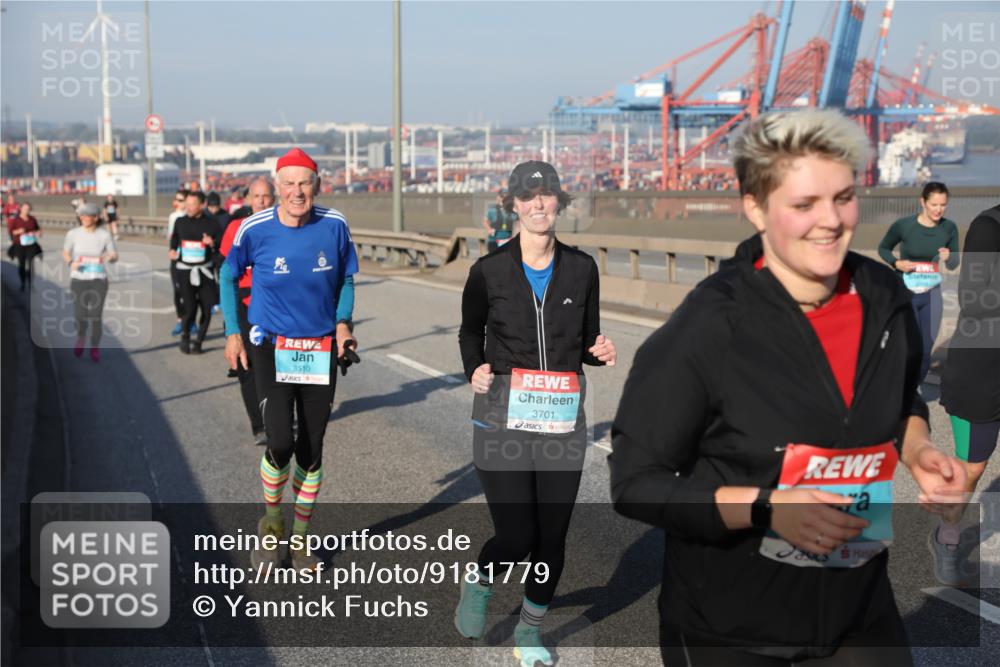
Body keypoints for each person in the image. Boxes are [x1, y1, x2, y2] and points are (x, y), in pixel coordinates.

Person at [609, 109, 968, 665]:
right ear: (756, 208)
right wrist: (768, 508)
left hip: (858, 611)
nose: (830, 221)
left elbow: (899, 399)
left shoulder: (884, 297)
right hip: (732, 626)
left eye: (843, 197)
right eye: (803, 205)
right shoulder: (711, 325)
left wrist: (918, 450)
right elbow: (636, 484)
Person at [456, 160, 616, 667]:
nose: (539, 205)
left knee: (552, 537)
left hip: (562, 421)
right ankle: (481, 579)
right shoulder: (489, 270)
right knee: (517, 537)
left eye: (547, 195)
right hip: (501, 417)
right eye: (529, 197)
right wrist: (474, 369)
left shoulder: (582, 268)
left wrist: (600, 350)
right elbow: (469, 333)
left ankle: (529, 632)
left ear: (559, 203)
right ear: (514, 205)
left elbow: (585, 339)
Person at [222, 148, 358, 571]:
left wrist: (342, 325)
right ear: (276, 186)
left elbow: (346, 279)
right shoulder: (254, 228)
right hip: (270, 344)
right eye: (288, 184)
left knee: (311, 450)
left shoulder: (334, 225)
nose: (296, 192)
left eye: (305, 183)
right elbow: (228, 275)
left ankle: (300, 541)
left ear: (317, 185)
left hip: (318, 348)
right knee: (279, 441)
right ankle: (272, 521)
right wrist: (232, 331)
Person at [936, 203, 1000, 584]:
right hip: (982, 368)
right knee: (971, 469)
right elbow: (974, 301)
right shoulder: (989, 226)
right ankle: (947, 540)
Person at [878, 182, 960, 384]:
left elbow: (954, 263)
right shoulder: (904, 225)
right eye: (934, 204)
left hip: (932, 294)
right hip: (906, 293)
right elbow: (883, 248)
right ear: (922, 202)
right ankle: (897, 386)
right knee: (907, 345)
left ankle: (913, 389)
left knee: (925, 347)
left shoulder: (949, 228)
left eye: (943, 205)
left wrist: (949, 257)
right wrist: (896, 263)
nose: (939, 209)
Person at [218, 177, 274, 446]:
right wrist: (231, 329)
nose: (262, 201)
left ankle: (278, 416)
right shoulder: (235, 228)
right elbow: (226, 274)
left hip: (276, 302)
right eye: (257, 196)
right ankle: (259, 424)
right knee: (246, 364)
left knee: (276, 365)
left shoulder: (284, 227)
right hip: (245, 301)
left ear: (274, 199)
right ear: (249, 200)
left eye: (266, 196)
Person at [63, 202, 118, 362]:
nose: (84, 218)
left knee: (95, 316)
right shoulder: (73, 234)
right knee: (80, 315)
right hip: (78, 279)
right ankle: (81, 338)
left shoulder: (104, 235)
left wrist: (111, 257)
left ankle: (94, 346)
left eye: (88, 216)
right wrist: (70, 263)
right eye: (82, 216)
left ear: (96, 218)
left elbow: (114, 255)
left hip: (98, 280)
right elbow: (66, 252)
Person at [169, 190, 222, 354]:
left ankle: (198, 341)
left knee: (206, 309)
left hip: (205, 271)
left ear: (202, 205)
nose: (189, 208)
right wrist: (172, 250)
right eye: (187, 204)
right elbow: (175, 239)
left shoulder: (212, 224)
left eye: (193, 205)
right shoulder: (180, 222)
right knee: (190, 308)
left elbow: (220, 248)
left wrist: (211, 243)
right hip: (185, 271)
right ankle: (185, 336)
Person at [7, 202, 43, 291]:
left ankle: (31, 284)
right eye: (25, 209)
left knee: (31, 265)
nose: (26, 211)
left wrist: (38, 233)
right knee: (21, 265)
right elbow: (11, 232)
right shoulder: (16, 220)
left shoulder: (32, 219)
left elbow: (38, 229)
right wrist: (18, 231)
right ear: (21, 209)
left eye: (28, 209)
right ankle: (23, 283)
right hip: (20, 245)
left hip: (31, 245)